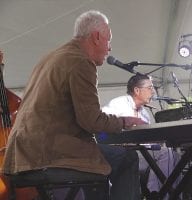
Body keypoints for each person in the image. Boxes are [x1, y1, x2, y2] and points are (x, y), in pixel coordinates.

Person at [2, 10, 145, 200]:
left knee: (102, 162)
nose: (109, 48)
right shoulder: (81, 62)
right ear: (96, 37)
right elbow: (91, 121)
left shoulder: (52, 57)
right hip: (46, 156)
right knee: (127, 159)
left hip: (20, 157)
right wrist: (124, 121)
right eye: (108, 40)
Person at [101, 74, 180, 198]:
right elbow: (101, 126)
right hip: (118, 155)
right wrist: (123, 124)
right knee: (166, 154)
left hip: (139, 153)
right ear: (137, 90)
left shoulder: (144, 113)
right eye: (150, 87)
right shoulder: (119, 103)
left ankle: (160, 193)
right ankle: (156, 193)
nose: (153, 91)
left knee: (175, 155)